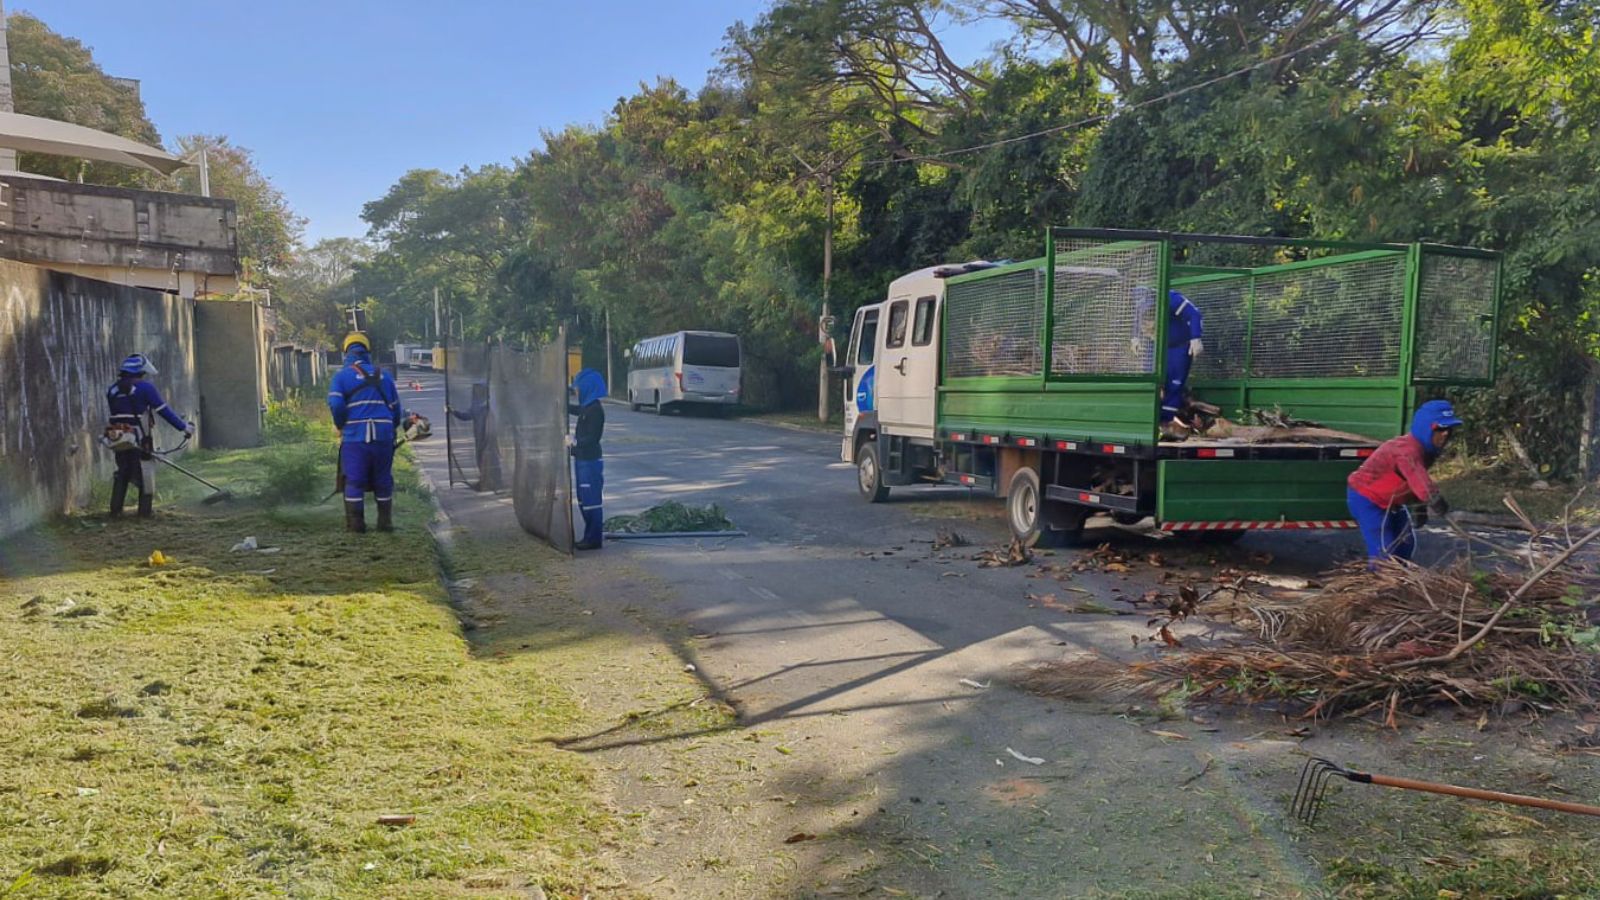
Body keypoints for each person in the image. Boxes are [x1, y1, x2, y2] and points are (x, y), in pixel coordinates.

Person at [1346, 400, 1461, 565]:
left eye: (1449, 430)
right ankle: (1381, 580)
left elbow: (1410, 482)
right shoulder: (1407, 451)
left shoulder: (1427, 450)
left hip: (1392, 502)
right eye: (1440, 429)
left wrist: (1419, 506)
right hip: (1368, 499)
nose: (1445, 434)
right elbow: (1419, 479)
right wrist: (1434, 499)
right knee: (1385, 551)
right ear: (1426, 428)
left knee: (1406, 544)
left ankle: (1400, 576)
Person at [327, 332, 404, 533]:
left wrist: (340, 424)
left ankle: (356, 525)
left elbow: (336, 405)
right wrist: (392, 429)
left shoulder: (341, 377)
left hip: (355, 436)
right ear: (367, 351)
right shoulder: (385, 375)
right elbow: (396, 409)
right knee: (383, 478)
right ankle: (385, 523)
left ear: (346, 352)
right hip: (383, 435)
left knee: (354, 480)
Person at [105, 353, 193, 518]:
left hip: (117, 437)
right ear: (140, 372)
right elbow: (163, 411)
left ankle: (115, 511)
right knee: (146, 473)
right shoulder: (145, 388)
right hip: (140, 438)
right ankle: (144, 513)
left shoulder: (112, 390)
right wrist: (184, 427)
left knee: (123, 471)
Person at [1134, 287, 1205, 427]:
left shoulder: (1172, 299)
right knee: (1151, 379)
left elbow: (1194, 314)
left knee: (1174, 385)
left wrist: (1195, 337)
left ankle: (1166, 422)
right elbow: (1137, 320)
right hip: (1155, 344)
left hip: (1179, 346)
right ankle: (1148, 418)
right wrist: (1135, 337)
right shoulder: (1139, 302)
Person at [569, 368, 607, 551]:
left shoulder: (595, 410)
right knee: (583, 500)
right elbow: (578, 410)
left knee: (591, 502)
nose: (576, 392)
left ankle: (593, 539)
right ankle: (588, 536)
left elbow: (592, 438)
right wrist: (563, 406)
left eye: (578, 388)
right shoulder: (587, 407)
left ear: (587, 388)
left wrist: (574, 443)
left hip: (590, 461)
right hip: (582, 459)